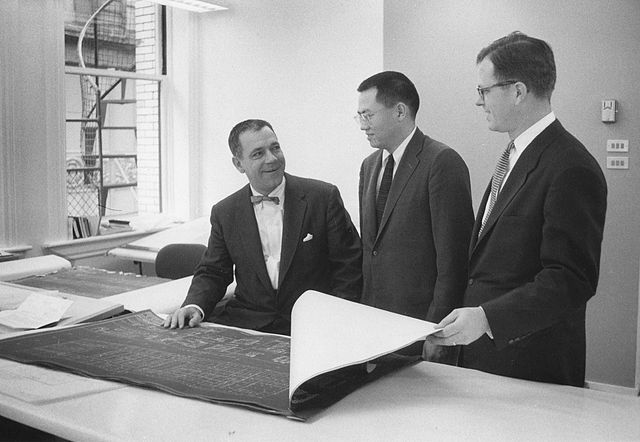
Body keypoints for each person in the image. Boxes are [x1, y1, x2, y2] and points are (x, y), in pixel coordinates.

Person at [427, 32, 608, 386]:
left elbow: (570, 280)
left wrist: (486, 318)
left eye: (484, 90)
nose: (478, 101)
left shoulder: (571, 167)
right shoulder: (516, 155)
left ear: (518, 91)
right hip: (486, 358)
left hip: (528, 363)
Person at [163, 119, 362, 335]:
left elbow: (349, 267)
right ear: (239, 164)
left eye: (275, 148)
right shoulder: (225, 212)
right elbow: (213, 272)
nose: (272, 158)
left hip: (314, 324)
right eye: (258, 153)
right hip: (248, 322)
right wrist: (194, 305)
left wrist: (336, 321)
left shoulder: (322, 198)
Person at [356, 71, 474, 363]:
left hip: (420, 327)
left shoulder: (442, 162)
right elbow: (372, 250)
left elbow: (453, 261)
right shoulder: (369, 166)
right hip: (375, 326)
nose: (362, 126)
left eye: (368, 116)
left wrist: (435, 331)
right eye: (358, 116)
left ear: (399, 111)